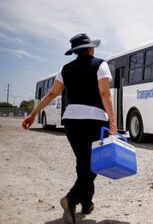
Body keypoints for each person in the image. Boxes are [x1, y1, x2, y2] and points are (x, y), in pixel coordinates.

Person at [22, 33, 117, 224]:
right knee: (91, 165)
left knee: (83, 162)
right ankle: (71, 199)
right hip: (94, 119)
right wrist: (113, 121)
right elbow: (105, 93)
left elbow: (52, 93)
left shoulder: (65, 69)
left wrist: (33, 114)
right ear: (90, 49)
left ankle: (86, 203)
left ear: (75, 51)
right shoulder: (101, 64)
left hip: (71, 121)